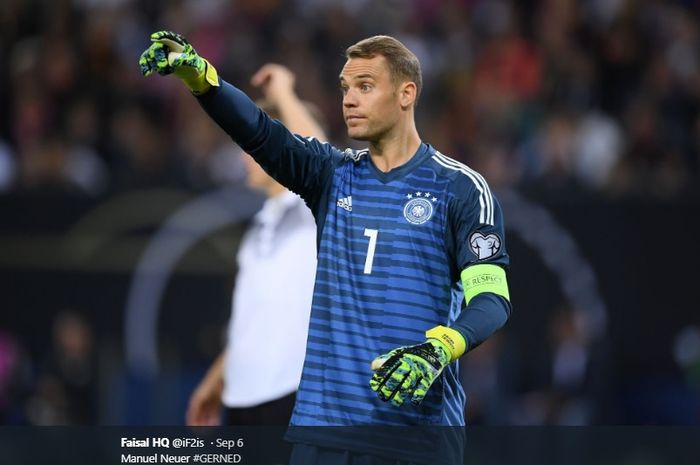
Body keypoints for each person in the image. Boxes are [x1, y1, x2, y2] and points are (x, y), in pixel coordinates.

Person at [140, 31, 512, 465]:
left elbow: (491, 299)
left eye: (365, 86)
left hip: (416, 438)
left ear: (407, 93)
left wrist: (439, 348)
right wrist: (201, 78)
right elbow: (259, 132)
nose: (349, 100)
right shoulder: (331, 176)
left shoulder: (460, 188)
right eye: (345, 88)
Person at [185, 63, 324, 427]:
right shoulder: (256, 233)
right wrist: (215, 381)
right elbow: (250, 325)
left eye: (254, 141)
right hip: (244, 399)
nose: (245, 153)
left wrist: (283, 94)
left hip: (295, 394)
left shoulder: (315, 213)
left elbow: (320, 157)